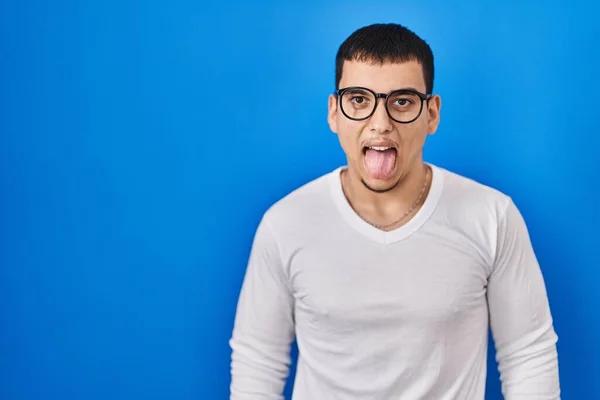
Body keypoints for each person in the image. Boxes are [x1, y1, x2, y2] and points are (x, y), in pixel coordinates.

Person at [229, 23, 560, 400]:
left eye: (401, 101)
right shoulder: (285, 223)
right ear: (334, 112)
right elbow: (259, 362)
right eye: (358, 99)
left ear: (431, 114)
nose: (380, 123)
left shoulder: (492, 216)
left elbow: (528, 354)